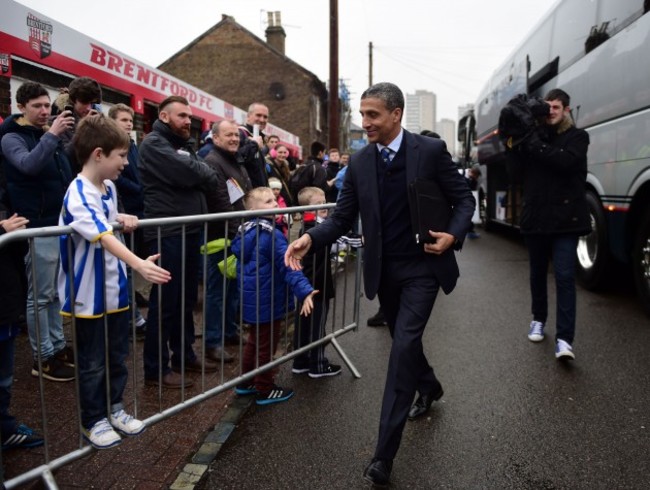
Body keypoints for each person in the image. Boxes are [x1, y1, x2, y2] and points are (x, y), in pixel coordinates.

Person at [285, 82, 474, 486]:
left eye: (372, 115)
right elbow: (341, 217)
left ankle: (383, 456)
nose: (364, 122)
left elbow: (465, 200)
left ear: (396, 114)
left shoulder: (431, 152)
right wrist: (310, 238)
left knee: (403, 345)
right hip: (384, 272)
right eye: (363, 114)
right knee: (405, 341)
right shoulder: (359, 162)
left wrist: (452, 235)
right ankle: (431, 386)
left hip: (425, 267)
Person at [58, 115, 171, 449]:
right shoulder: (78, 190)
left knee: (117, 355)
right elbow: (101, 233)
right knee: (92, 362)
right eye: (120, 156)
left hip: (115, 292)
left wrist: (121, 216)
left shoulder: (108, 188)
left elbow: (107, 221)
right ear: (98, 154)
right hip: (87, 295)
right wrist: (138, 264)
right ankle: (92, 419)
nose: (125, 162)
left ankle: (115, 409)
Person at [139, 95, 220, 389]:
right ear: (163, 117)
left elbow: (206, 176)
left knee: (185, 298)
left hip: (188, 229)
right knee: (166, 302)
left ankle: (183, 355)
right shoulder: (154, 144)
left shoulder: (183, 145)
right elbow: (193, 173)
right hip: (168, 230)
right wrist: (194, 170)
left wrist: (194, 170)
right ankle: (156, 368)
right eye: (182, 116)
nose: (188, 121)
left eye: (190, 116)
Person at [506, 88, 590, 360]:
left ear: (566, 110)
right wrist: (513, 141)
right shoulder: (532, 136)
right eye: (548, 107)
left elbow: (565, 162)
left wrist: (532, 143)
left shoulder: (578, 137)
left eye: (556, 107)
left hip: (566, 221)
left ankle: (565, 339)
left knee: (565, 276)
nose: (551, 111)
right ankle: (538, 318)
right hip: (536, 219)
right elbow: (515, 175)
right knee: (537, 273)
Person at [0, 81, 75, 382]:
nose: (45, 111)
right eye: (37, 107)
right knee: (40, 296)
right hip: (36, 224)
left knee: (53, 293)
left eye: (47, 105)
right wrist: (54, 135)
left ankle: (56, 347)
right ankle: (42, 357)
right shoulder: (11, 138)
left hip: (54, 222)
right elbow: (28, 166)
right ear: (21, 108)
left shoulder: (44, 134)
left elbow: (63, 171)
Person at [232, 187, 317, 405]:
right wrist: (305, 291)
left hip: (252, 301)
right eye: (268, 201)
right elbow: (289, 265)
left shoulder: (245, 231)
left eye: (274, 200)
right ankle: (264, 388)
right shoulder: (272, 235)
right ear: (253, 209)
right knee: (265, 346)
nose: (276, 204)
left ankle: (246, 381)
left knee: (254, 341)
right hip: (268, 301)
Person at [202, 119, 252, 364]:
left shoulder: (235, 160)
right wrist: (238, 233)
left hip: (236, 234)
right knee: (217, 291)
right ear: (216, 138)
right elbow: (221, 203)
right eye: (229, 135)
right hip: (222, 238)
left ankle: (229, 332)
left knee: (232, 288)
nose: (234, 138)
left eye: (236, 135)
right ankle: (213, 342)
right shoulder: (213, 162)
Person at [0, 207, 44, 453]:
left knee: (4, 379)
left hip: (6, 306)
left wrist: (16, 234)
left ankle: (5, 430)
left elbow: (17, 250)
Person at [291, 187, 341, 378]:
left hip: (306, 287)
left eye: (324, 202)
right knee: (316, 326)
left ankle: (300, 361)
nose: (324, 206)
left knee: (304, 325)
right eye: (318, 204)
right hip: (316, 287)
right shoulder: (314, 230)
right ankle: (318, 365)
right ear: (307, 209)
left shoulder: (311, 227)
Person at [108, 103, 147, 337]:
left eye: (130, 120)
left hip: (135, 213)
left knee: (130, 269)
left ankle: (131, 317)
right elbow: (119, 177)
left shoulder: (132, 145)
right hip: (124, 211)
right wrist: (139, 190)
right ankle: (132, 320)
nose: (129, 124)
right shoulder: (112, 145)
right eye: (124, 119)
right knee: (126, 269)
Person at [51, 76, 103, 173]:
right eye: (84, 102)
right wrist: (84, 128)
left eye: (92, 103)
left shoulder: (98, 122)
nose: (88, 108)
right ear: (73, 100)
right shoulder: (60, 122)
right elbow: (65, 158)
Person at [237, 102, 270, 188]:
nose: (262, 120)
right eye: (258, 115)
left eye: (265, 117)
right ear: (248, 116)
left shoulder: (261, 137)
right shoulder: (240, 134)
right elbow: (237, 158)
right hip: (249, 193)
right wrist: (253, 145)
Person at [465, 164, 482, 239]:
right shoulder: (466, 178)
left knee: (470, 216)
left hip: (468, 200)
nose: (477, 178)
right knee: (469, 216)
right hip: (466, 200)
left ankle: (470, 231)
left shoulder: (471, 179)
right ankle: (470, 232)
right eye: (477, 176)